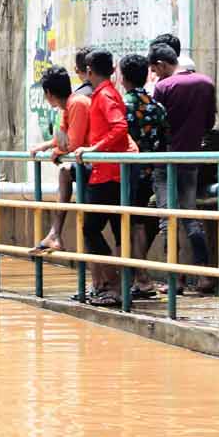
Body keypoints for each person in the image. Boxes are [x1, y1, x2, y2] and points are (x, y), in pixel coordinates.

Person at [68, 49, 136, 305]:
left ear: (88, 71)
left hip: (108, 174)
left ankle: (113, 283)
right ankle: (119, 286)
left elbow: (120, 127)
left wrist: (94, 149)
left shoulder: (105, 95)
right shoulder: (107, 93)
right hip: (112, 172)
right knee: (118, 230)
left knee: (90, 229)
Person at [149, 42, 218, 292]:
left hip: (166, 160)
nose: (155, 74)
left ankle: (175, 279)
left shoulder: (163, 87)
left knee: (168, 219)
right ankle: (205, 274)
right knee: (190, 216)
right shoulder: (206, 83)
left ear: (161, 65)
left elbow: (155, 125)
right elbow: (209, 122)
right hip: (191, 158)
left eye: (154, 70)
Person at [30, 48, 94, 253]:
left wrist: (57, 152)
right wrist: (48, 146)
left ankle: (55, 233)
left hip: (103, 165)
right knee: (65, 172)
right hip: (94, 162)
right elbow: (64, 137)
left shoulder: (77, 103)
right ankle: (54, 234)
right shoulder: (70, 105)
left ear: (48, 94)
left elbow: (72, 143)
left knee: (65, 172)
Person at [120, 52, 169, 299]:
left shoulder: (122, 105)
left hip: (126, 171)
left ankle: (141, 278)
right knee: (138, 222)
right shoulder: (156, 106)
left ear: (123, 77)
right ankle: (140, 276)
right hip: (150, 171)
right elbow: (165, 137)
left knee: (127, 223)